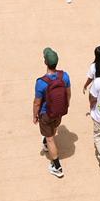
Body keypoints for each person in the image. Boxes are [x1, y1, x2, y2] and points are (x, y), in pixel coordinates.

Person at [34, 48, 70, 178]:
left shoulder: (41, 82)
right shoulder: (65, 76)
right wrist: (66, 106)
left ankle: (57, 166)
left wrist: (35, 115)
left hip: (46, 113)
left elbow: (37, 103)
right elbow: (68, 94)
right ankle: (46, 141)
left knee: (50, 138)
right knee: (53, 129)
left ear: (45, 62)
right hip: (59, 111)